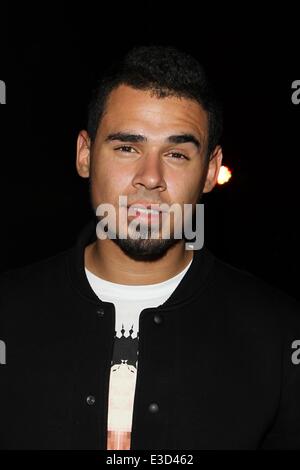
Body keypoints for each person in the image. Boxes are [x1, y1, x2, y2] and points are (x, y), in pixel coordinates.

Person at [0, 45, 299, 450]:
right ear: (85, 155)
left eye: (176, 154)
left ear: (210, 171)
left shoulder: (279, 334)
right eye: (127, 148)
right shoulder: (9, 310)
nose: (150, 177)